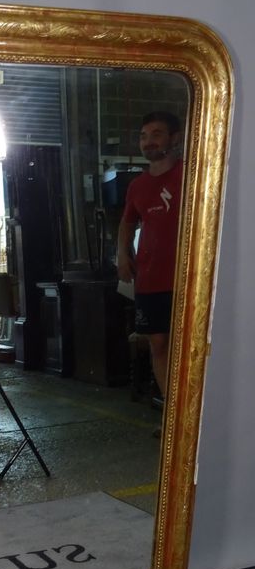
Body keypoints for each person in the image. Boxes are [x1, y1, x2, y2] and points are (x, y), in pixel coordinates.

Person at [117, 111, 183, 402]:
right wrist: (122, 253)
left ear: (174, 138)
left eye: (157, 134)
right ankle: (173, 413)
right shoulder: (137, 185)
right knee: (158, 344)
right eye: (144, 136)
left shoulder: (189, 174)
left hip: (186, 276)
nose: (149, 142)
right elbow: (127, 222)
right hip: (150, 278)